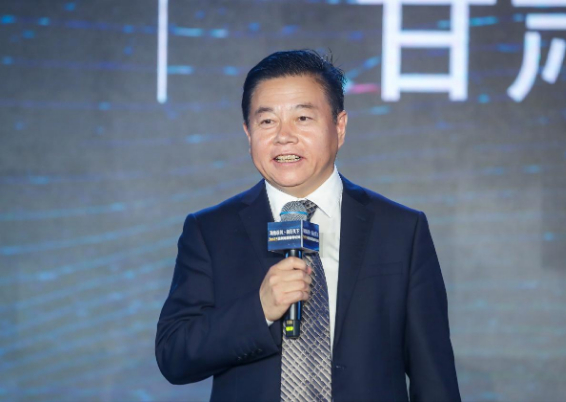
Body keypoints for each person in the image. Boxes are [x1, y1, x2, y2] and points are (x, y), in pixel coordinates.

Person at [155, 50, 461, 402]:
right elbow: (174, 356)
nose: (284, 136)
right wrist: (259, 310)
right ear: (248, 133)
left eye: (302, 118)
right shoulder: (210, 231)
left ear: (339, 127)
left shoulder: (400, 230)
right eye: (267, 121)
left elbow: (433, 378)